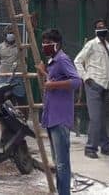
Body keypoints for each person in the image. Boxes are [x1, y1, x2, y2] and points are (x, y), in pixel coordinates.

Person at [37, 29, 81, 195]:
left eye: (49, 42)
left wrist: (53, 85)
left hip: (60, 117)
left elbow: (77, 81)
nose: (45, 46)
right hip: (51, 116)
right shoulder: (53, 61)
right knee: (58, 161)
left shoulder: (62, 59)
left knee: (62, 162)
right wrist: (44, 73)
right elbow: (53, 80)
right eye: (44, 42)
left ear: (57, 43)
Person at [74, 19, 109, 159]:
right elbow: (78, 61)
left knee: (101, 117)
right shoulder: (91, 45)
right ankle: (90, 147)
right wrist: (86, 78)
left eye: (104, 26)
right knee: (96, 118)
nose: (102, 29)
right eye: (99, 27)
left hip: (105, 86)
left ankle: (105, 146)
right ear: (95, 30)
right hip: (94, 85)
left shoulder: (108, 45)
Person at [0, 26, 27, 106]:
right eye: (9, 33)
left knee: (21, 98)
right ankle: (3, 117)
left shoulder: (21, 47)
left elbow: (25, 59)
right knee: (1, 98)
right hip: (3, 76)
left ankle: (24, 118)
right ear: (5, 35)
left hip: (17, 76)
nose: (11, 35)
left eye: (12, 33)